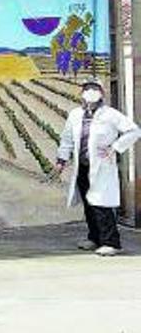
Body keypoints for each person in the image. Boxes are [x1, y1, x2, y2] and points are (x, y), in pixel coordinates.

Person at [55, 78, 141, 256]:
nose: (90, 92)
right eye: (87, 89)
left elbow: (134, 131)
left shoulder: (110, 114)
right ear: (81, 93)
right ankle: (94, 238)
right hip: (83, 167)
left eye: (94, 89)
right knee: (88, 204)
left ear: (102, 93)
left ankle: (111, 242)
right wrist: (61, 160)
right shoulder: (75, 115)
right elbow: (67, 139)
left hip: (102, 168)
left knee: (102, 204)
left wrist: (115, 148)